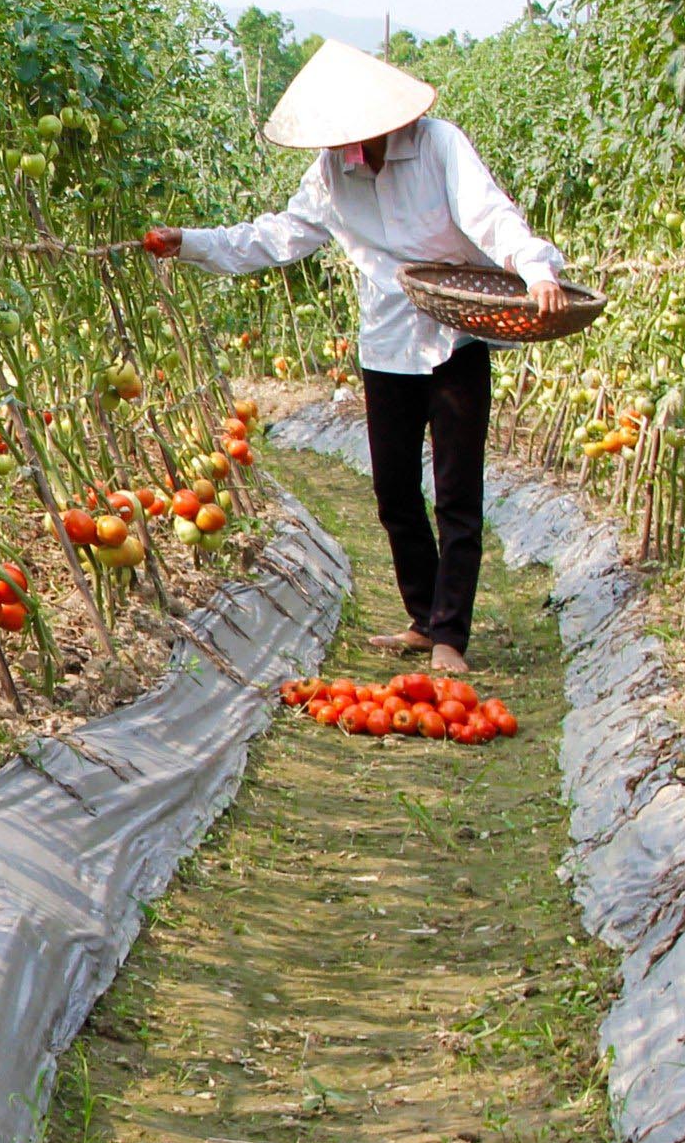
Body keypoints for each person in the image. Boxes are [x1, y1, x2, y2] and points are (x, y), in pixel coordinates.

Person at [147, 40, 565, 675]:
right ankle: (423, 619)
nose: (355, 145)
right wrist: (191, 244)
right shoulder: (332, 171)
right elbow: (279, 235)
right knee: (394, 491)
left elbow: (491, 217)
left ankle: (451, 635)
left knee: (456, 493)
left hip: (456, 338)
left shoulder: (439, 146)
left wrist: (535, 268)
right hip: (387, 345)